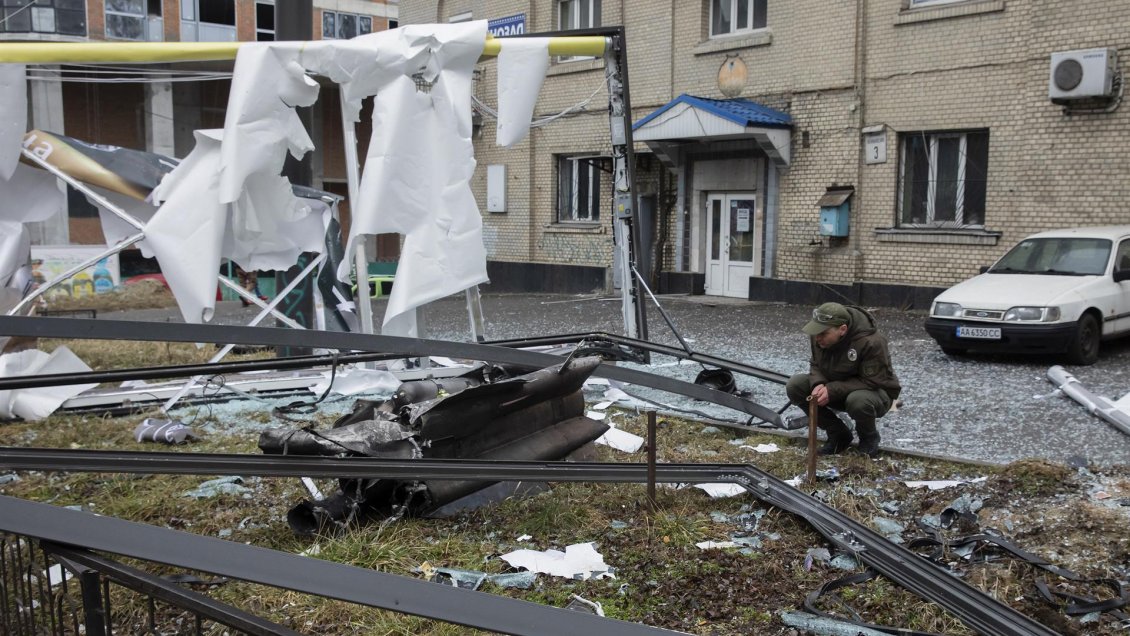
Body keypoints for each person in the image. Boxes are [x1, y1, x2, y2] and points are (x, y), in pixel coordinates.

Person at [785, 302, 901, 458]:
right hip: (836, 390)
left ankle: (869, 439)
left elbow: (873, 381)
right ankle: (838, 434)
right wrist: (818, 383)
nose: (817, 338)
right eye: (816, 332)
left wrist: (832, 390)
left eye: (823, 333)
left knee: (858, 401)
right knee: (795, 385)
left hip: (875, 393)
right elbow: (815, 364)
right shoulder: (818, 336)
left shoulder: (871, 342)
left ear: (842, 329)